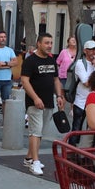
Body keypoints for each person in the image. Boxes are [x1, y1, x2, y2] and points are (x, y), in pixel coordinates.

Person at [21, 32, 65, 176]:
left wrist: (59, 95)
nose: (49, 46)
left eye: (51, 43)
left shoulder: (52, 60)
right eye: (46, 43)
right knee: (35, 131)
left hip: (49, 101)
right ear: (38, 44)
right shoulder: (30, 61)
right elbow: (25, 81)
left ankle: (29, 158)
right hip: (34, 103)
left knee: (39, 132)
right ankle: (35, 161)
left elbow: (56, 79)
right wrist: (35, 98)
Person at [69, 40, 95, 137]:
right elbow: (87, 83)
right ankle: (72, 145)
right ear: (85, 51)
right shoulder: (80, 63)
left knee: (91, 128)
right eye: (91, 50)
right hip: (81, 102)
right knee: (77, 128)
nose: (93, 52)